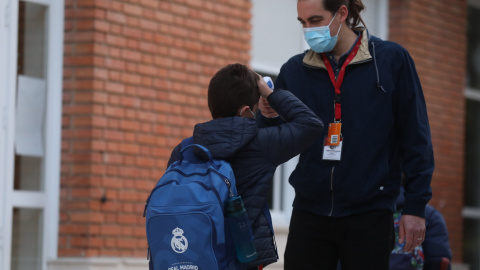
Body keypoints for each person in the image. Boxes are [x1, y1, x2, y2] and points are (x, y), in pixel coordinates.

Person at [258, 0, 434, 269]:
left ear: (341, 13)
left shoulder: (391, 60)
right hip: (309, 211)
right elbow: (270, 141)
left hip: (370, 212)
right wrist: (265, 113)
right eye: (302, 23)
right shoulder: (294, 71)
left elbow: (416, 138)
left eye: (315, 21)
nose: (307, 30)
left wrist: (416, 206)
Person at [167, 63, 323, 269]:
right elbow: (311, 124)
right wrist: (271, 95)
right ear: (245, 111)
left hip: (191, 253)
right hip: (240, 256)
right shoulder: (262, 144)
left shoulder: (185, 149)